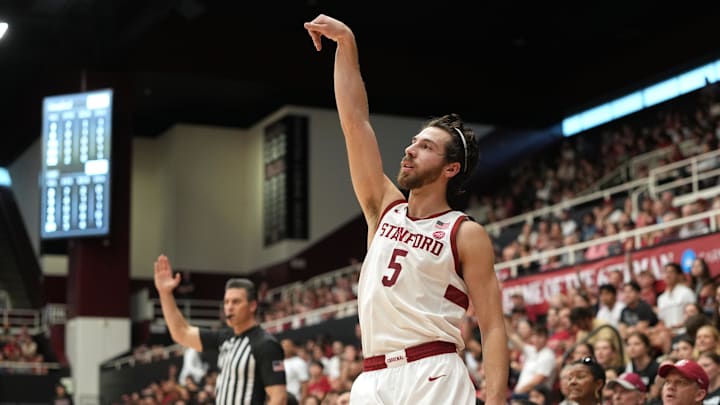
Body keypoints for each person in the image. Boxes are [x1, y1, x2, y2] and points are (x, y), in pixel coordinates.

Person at [304, 14, 508, 405]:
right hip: (371, 377)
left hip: (432, 372)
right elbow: (355, 123)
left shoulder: (464, 232)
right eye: (414, 141)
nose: (411, 148)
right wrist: (346, 44)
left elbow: (493, 326)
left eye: (427, 146)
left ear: (451, 168)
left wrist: (496, 400)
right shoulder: (384, 208)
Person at [153, 254, 287, 404]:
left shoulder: (265, 344)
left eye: (236, 302)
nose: (229, 307)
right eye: (226, 302)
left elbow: (279, 397)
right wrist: (165, 294)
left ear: (252, 305)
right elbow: (181, 333)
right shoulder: (225, 337)